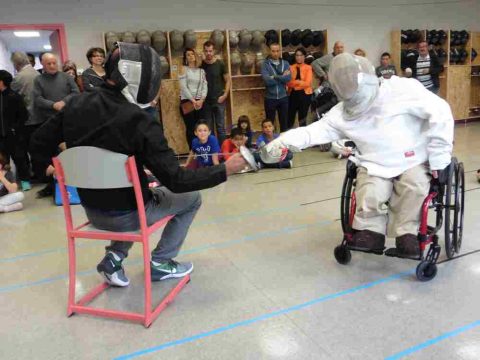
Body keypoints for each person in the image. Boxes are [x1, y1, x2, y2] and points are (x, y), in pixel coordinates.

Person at [31, 43, 247, 286]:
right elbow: (177, 181)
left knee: (138, 189)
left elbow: (37, 142)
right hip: (129, 215)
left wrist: (58, 171)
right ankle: (162, 262)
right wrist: (224, 169)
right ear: (137, 76)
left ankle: (113, 258)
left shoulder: (76, 105)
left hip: (91, 209)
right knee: (190, 199)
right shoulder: (140, 121)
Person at [265, 53, 453, 258]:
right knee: (370, 189)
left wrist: (439, 158)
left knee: (414, 186)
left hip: (413, 158)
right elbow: (312, 132)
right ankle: (371, 231)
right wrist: (282, 141)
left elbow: (440, 112)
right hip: (374, 162)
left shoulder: (402, 89)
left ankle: (406, 233)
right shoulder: (342, 112)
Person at [32, 53, 80, 198]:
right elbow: (37, 99)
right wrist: (53, 105)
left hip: (68, 121)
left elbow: (76, 92)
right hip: (48, 122)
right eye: (49, 64)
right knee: (50, 155)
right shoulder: (38, 80)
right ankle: (53, 186)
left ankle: (75, 185)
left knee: (69, 153)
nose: (52, 66)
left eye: (54, 63)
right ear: (43, 64)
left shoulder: (66, 77)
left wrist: (63, 102)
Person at [10, 51, 39, 190]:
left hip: (26, 119)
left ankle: (27, 178)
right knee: (38, 148)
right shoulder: (37, 74)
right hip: (40, 117)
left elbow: (12, 97)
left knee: (22, 150)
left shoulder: (18, 78)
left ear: (16, 64)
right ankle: (41, 174)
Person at [0, 70, 31, 191]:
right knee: (3, 162)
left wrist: (15, 128)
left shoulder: (14, 96)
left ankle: (25, 181)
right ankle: (6, 184)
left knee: (20, 159)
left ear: (2, 82)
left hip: (14, 136)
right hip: (1, 137)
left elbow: (24, 115)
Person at [201, 41, 230, 144]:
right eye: (206, 51)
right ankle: (213, 152)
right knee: (209, 129)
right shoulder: (201, 65)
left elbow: (228, 80)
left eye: (210, 51)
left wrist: (225, 94)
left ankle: (222, 153)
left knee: (221, 128)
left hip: (219, 100)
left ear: (214, 51)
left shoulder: (220, 63)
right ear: (204, 51)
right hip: (206, 102)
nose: (208, 53)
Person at [179, 48, 208, 148]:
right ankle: (193, 151)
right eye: (188, 55)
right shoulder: (183, 69)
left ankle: (202, 149)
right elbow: (183, 87)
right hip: (187, 101)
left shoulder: (201, 71)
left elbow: (205, 85)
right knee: (191, 128)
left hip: (200, 102)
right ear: (185, 58)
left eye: (192, 54)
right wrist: (192, 100)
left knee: (201, 127)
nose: (191, 56)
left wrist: (202, 99)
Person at [261, 43, 292, 132]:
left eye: (277, 51)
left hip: (283, 98)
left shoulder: (285, 63)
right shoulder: (265, 64)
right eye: (273, 51)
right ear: (269, 51)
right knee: (269, 125)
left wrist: (274, 76)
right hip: (270, 98)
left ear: (280, 51)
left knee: (284, 124)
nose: (275, 53)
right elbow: (267, 81)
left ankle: (283, 144)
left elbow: (288, 78)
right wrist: (282, 76)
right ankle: (271, 144)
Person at [287, 47, 313, 129]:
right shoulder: (291, 67)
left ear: (304, 56)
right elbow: (288, 83)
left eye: (301, 55)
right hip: (292, 94)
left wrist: (296, 82)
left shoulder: (308, 68)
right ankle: (288, 137)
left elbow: (307, 83)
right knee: (290, 118)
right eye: (297, 55)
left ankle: (303, 138)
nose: (298, 57)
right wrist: (299, 82)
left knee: (302, 119)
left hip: (305, 95)